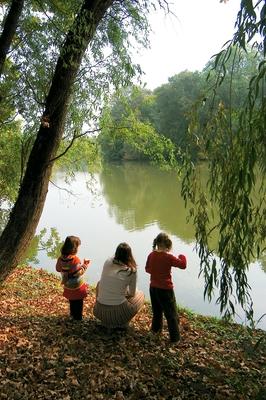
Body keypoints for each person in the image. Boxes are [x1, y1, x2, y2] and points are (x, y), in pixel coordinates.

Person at [145, 232, 187, 343]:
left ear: (157, 243)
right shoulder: (169, 257)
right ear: (168, 244)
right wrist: (182, 256)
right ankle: (175, 339)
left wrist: (156, 271)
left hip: (153, 288)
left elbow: (147, 269)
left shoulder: (151, 255)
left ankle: (155, 332)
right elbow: (183, 265)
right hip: (165, 289)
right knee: (171, 314)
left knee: (157, 312)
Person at [93, 242, 145, 330]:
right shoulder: (131, 271)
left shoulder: (107, 262)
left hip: (99, 311)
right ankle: (122, 323)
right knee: (141, 295)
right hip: (116, 314)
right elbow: (132, 294)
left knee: (99, 283)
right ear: (129, 255)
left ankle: (106, 322)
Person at [56, 235, 90, 320]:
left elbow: (58, 269)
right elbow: (78, 273)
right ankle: (78, 317)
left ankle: (72, 315)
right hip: (77, 287)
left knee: (72, 301)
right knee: (78, 302)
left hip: (67, 285)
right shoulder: (75, 260)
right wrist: (85, 265)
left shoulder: (60, 258)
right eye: (78, 247)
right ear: (74, 248)